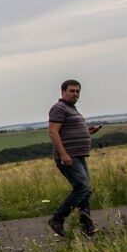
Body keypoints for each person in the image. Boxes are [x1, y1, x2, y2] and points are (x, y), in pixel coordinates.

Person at [47, 79, 102, 237]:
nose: (75, 94)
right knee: (83, 188)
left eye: (77, 91)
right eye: (72, 91)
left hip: (78, 155)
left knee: (85, 191)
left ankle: (87, 227)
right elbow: (53, 132)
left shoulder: (71, 108)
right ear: (63, 91)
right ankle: (57, 219)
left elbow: (68, 130)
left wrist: (87, 131)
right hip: (69, 157)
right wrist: (64, 154)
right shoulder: (59, 108)